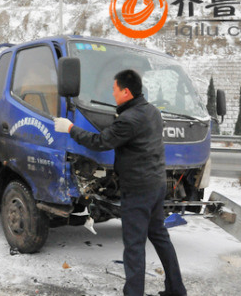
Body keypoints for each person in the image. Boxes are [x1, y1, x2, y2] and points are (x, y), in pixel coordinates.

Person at [53, 69, 186, 296]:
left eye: (114, 90)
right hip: (156, 184)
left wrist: (70, 128)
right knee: (160, 237)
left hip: (138, 189)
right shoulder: (152, 111)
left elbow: (100, 141)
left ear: (126, 92)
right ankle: (176, 289)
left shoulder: (129, 119)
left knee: (134, 246)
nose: (112, 93)